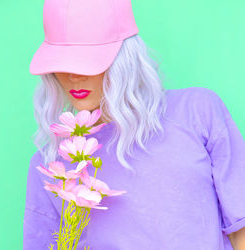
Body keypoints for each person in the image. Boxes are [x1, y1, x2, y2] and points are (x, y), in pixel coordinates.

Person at [23, 0, 245, 249]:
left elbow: (241, 229)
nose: (74, 75)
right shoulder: (52, 166)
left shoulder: (197, 112)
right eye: (61, 62)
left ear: (125, 56)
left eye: (87, 59)